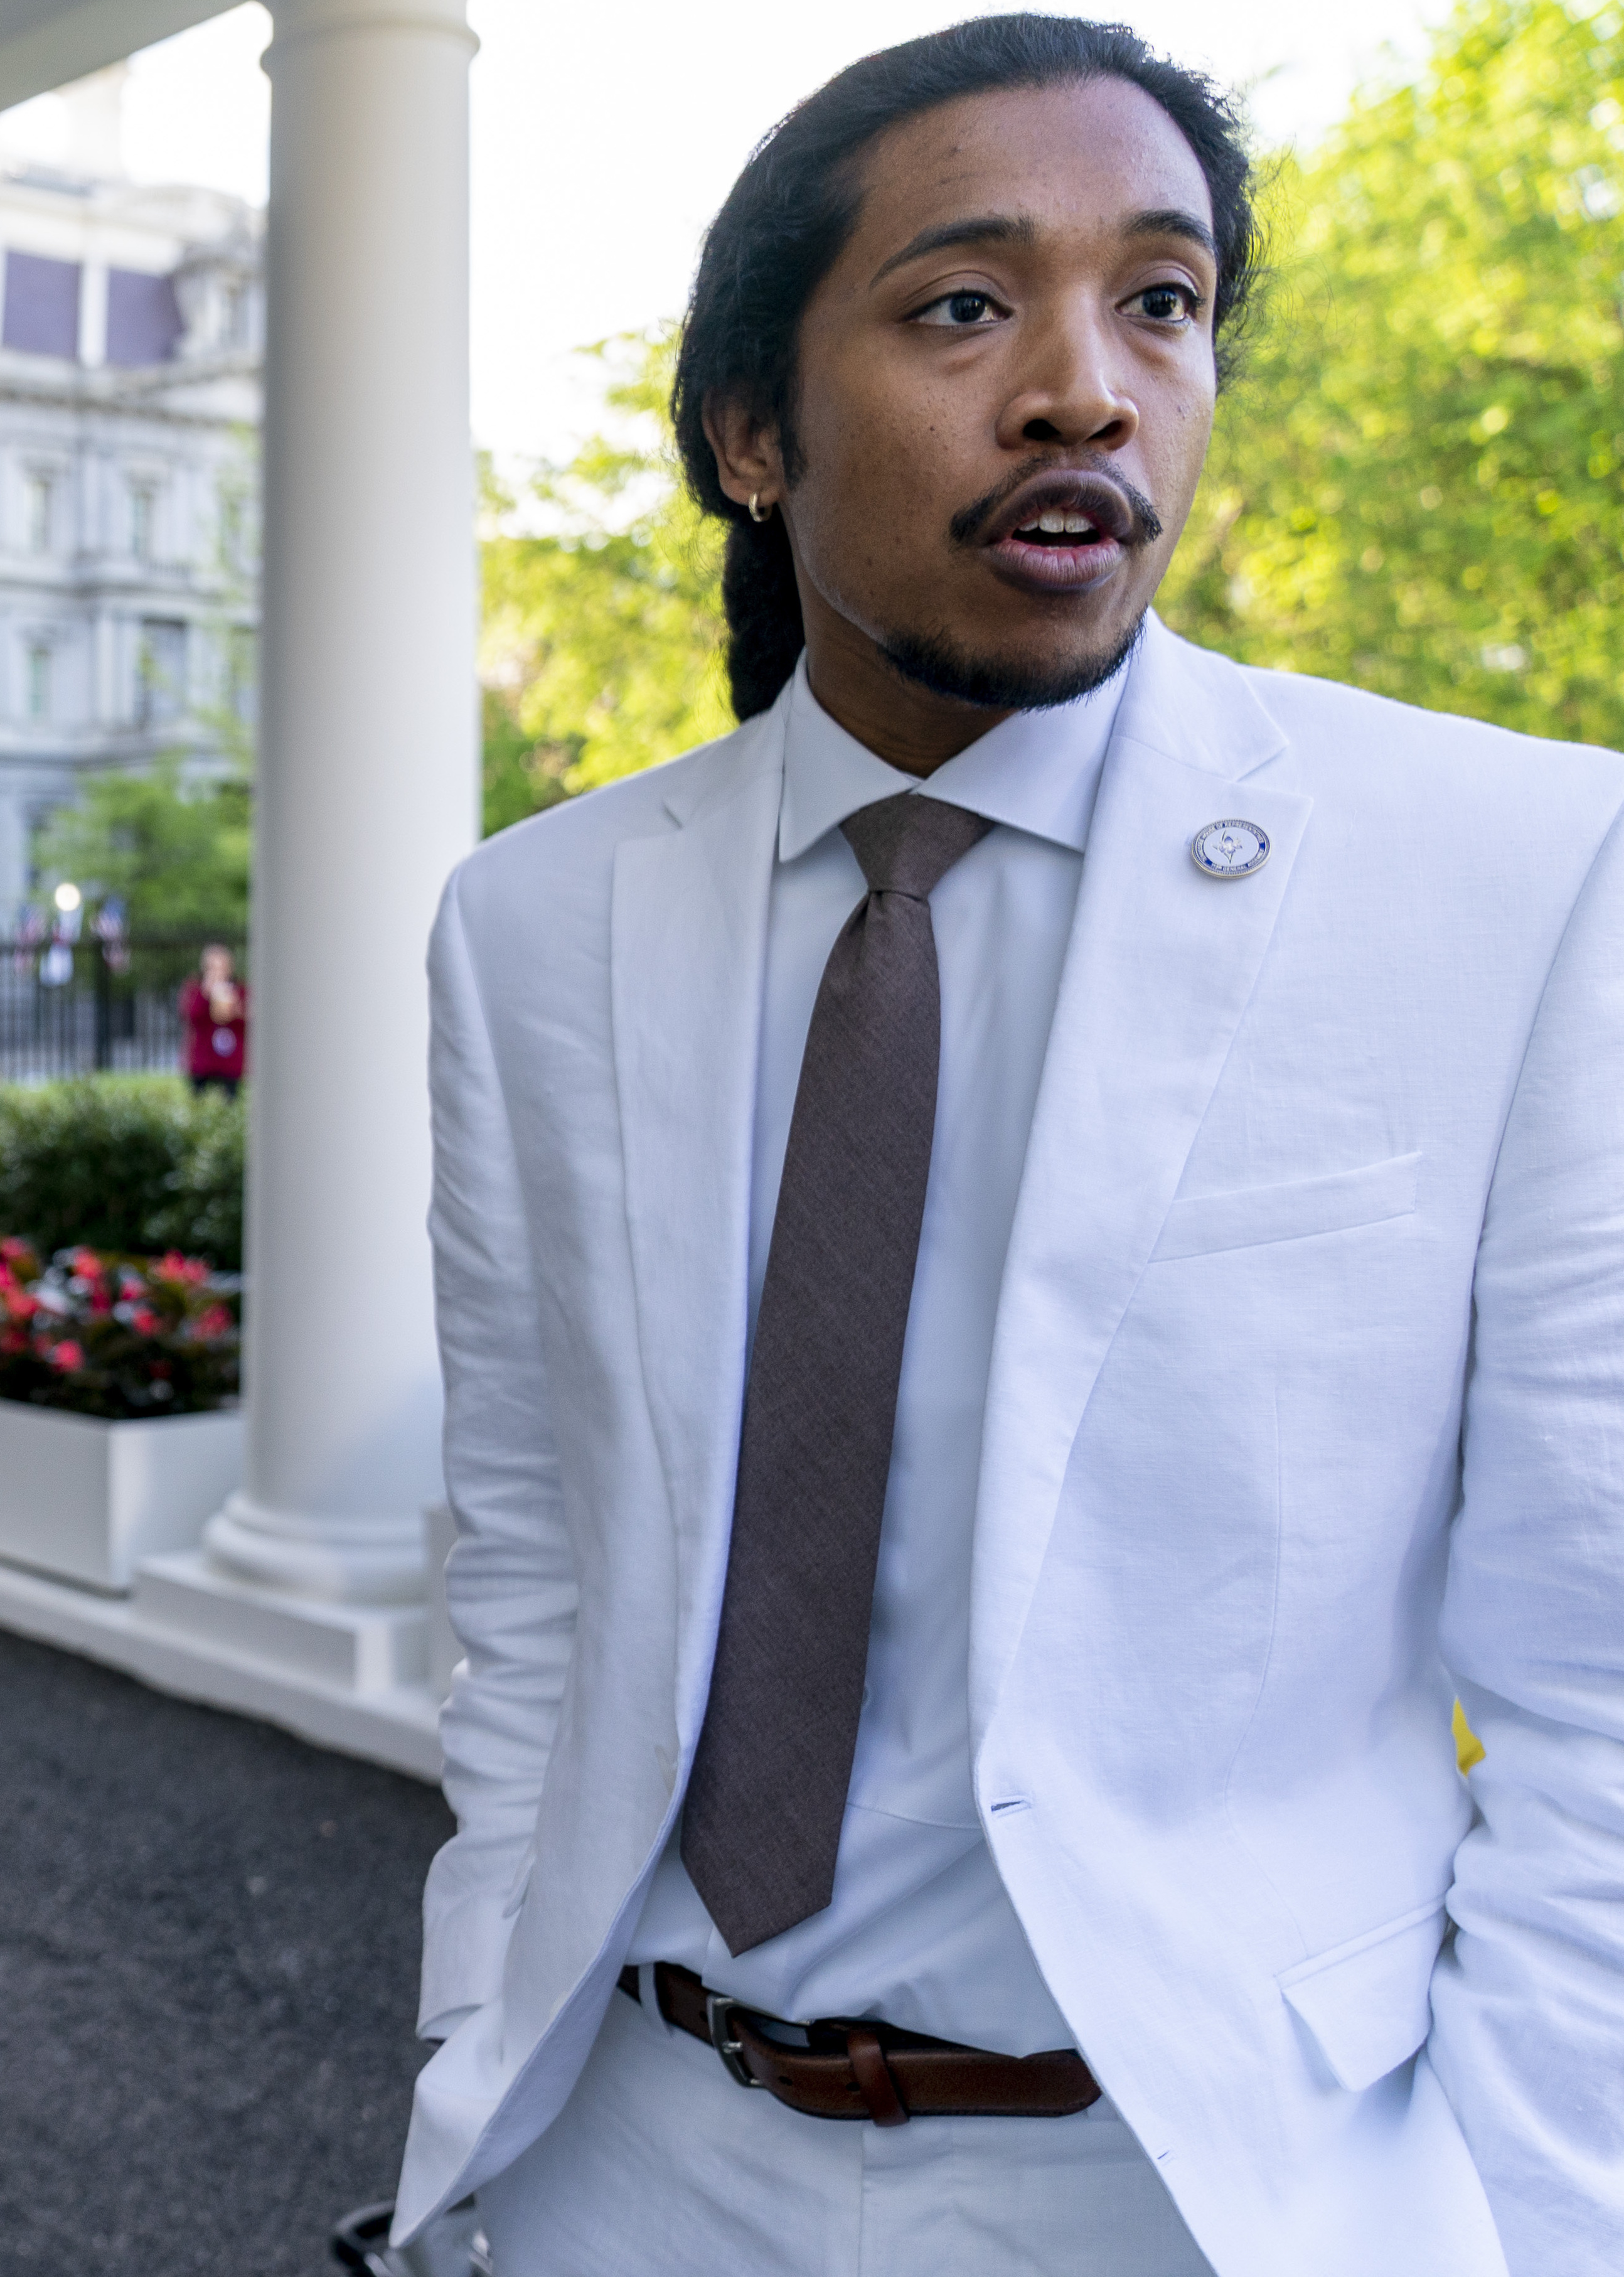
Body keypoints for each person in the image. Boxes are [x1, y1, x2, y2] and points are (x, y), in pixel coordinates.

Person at [399, 19, 1623, 2277]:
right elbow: (531, 1574)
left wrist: (1528, 2212)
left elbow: (1593, 1669)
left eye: (1154, 299)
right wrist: (472, 2052)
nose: (1080, 386)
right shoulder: (529, 925)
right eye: (961, 305)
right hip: (634, 2158)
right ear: (747, 431)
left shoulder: (1504, 868)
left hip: (1198, 2185)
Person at [179, 942, 245, 1095]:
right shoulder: (196, 990)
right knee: (198, 1098)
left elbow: (246, 1021)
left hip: (231, 1061)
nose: (218, 973)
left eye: (221, 967)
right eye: (212, 968)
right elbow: (191, 1016)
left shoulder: (239, 990)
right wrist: (206, 994)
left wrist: (233, 1008)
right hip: (203, 1059)